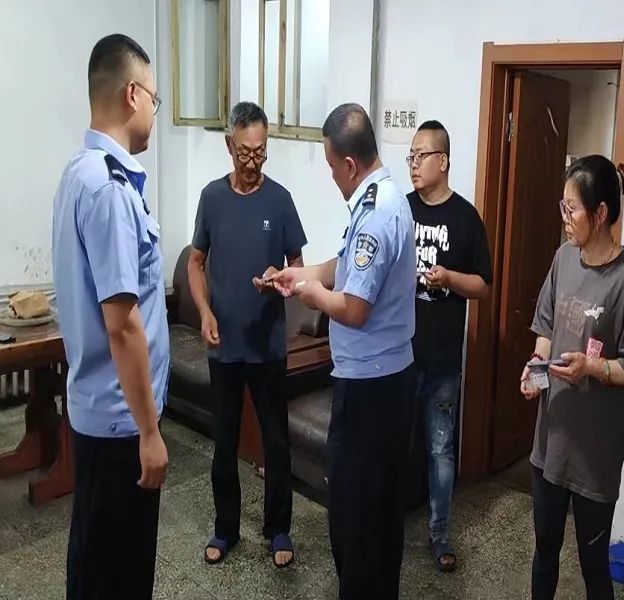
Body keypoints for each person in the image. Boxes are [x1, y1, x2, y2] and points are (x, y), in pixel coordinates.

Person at [270, 103, 416, 599]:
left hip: (373, 388)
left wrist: (311, 296)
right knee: (373, 511)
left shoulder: (376, 214)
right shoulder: (386, 198)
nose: (332, 176)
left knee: (359, 517)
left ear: (350, 164)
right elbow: (346, 264)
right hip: (380, 379)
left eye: (332, 166)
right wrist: (303, 274)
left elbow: (353, 309)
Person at [51, 34, 168, 600]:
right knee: (118, 574)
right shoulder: (110, 190)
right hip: (122, 423)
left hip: (97, 411)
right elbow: (122, 324)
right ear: (132, 94)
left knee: (94, 560)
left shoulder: (80, 172)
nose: (154, 112)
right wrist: (150, 432)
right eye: (155, 99)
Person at [519, 156, 624, 600]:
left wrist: (590, 368)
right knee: (544, 553)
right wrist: (536, 368)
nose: (564, 217)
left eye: (572, 209)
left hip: (593, 456)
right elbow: (546, 328)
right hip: (550, 443)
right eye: (563, 206)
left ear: (600, 213)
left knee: (594, 567)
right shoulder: (563, 259)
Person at [188, 101, 307, 568]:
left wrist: (281, 277)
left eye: (260, 151)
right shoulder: (212, 198)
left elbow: (298, 265)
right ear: (229, 145)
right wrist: (204, 312)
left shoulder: (280, 200)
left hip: (268, 346)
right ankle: (226, 529)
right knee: (224, 442)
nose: (253, 161)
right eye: (245, 152)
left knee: (276, 442)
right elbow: (196, 262)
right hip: (224, 348)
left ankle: (279, 529)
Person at [406, 120, 492, 571]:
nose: (414, 164)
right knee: (396, 443)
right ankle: (387, 520)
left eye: (421, 156)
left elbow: (482, 285)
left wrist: (448, 278)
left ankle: (440, 534)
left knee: (440, 449)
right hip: (398, 357)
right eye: (411, 156)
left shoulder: (465, 218)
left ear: (443, 161)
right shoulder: (400, 210)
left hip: (441, 360)